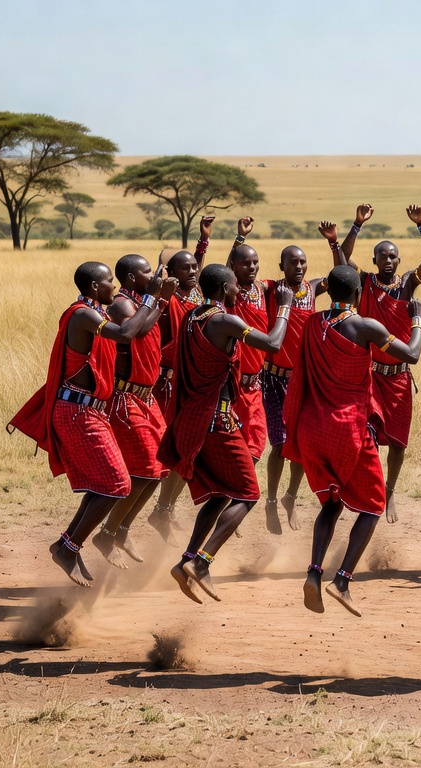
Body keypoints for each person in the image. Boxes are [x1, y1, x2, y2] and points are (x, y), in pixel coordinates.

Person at [9, 261, 175, 587]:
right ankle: (69, 546)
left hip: (91, 410)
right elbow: (127, 333)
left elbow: (139, 329)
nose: (114, 288)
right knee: (117, 484)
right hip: (76, 411)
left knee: (107, 484)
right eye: (110, 282)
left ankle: (67, 546)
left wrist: (159, 301)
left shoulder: (94, 311)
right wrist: (151, 297)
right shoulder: (83, 314)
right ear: (96, 286)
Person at [290, 252, 421, 617]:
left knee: (331, 505)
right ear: (359, 292)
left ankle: (315, 573)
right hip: (348, 429)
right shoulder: (365, 327)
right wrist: (418, 319)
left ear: (328, 290)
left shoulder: (312, 323)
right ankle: (343, 580)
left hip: (311, 428)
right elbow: (411, 355)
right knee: (373, 506)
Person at [157, 264, 292, 603]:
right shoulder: (223, 320)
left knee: (220, 495)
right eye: (234, 285)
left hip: (196, 419)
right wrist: (286, 306)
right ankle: (203, 562)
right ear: (224, 288)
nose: (238, 291)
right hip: (218, 423)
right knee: (248, 494)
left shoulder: (192, 317)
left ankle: (186, 560)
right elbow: (273, 343)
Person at [334, 202, 421, 523]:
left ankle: (390, 490)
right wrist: (357, 224)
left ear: (399, 260)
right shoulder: (363, 282)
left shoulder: (408, 284)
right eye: (383, 256)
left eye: (394, 256)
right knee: (367, 436)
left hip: (399, 378)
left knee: (397, 443)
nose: (389, 261)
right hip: (371, 377)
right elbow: (341, 260)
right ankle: (369, 489)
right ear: (374, 260)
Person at [89, 253, 172, 568]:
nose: (152, 275)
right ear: (129, 279)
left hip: (146, 399)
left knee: (158, 470)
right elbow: (136, 332)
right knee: (143, 471)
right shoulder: (123, 303)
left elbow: (147, 327)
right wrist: (156, 298)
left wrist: (157, 299)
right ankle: (107, 532)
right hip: (126, 400)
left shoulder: (141, 302)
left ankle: (120, 528)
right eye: (146, 271)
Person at [256, 224, 328, 534]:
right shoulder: (272, 289)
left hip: (303, 380)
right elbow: (236, 273)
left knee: (303, 444)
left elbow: (343, 271)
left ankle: (289, 497)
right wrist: (241, 237)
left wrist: (340, 238)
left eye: (302, 262)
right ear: (281, 266)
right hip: (273, 380)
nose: (298, 267)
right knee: (280, 444)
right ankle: (271, 501)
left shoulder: (312, 289)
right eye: (292, 262)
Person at [148, 216, 214, 543]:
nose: (192, 271)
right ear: (173, 275)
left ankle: (164, 509)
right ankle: (157, 510)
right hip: (167, 384)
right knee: (174, 449)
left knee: (188, 450)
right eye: (185, 268)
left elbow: (199, 268)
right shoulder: (167, 300)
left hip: (192, 382)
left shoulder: (200, 295)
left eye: (194, 268)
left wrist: (203, 241)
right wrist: (162, 288)